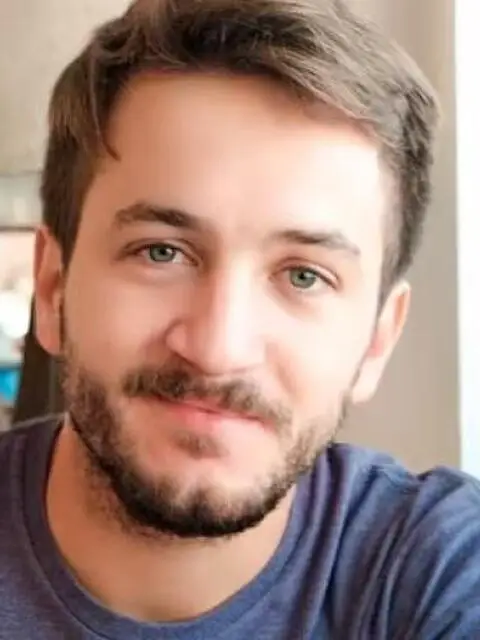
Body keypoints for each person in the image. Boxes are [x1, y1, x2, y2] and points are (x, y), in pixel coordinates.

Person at [1, 0, 479, 637]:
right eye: (161, 252)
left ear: (376, 341)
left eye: (304, 275)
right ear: (53, 288)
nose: (218, 348)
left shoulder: (435, 569)